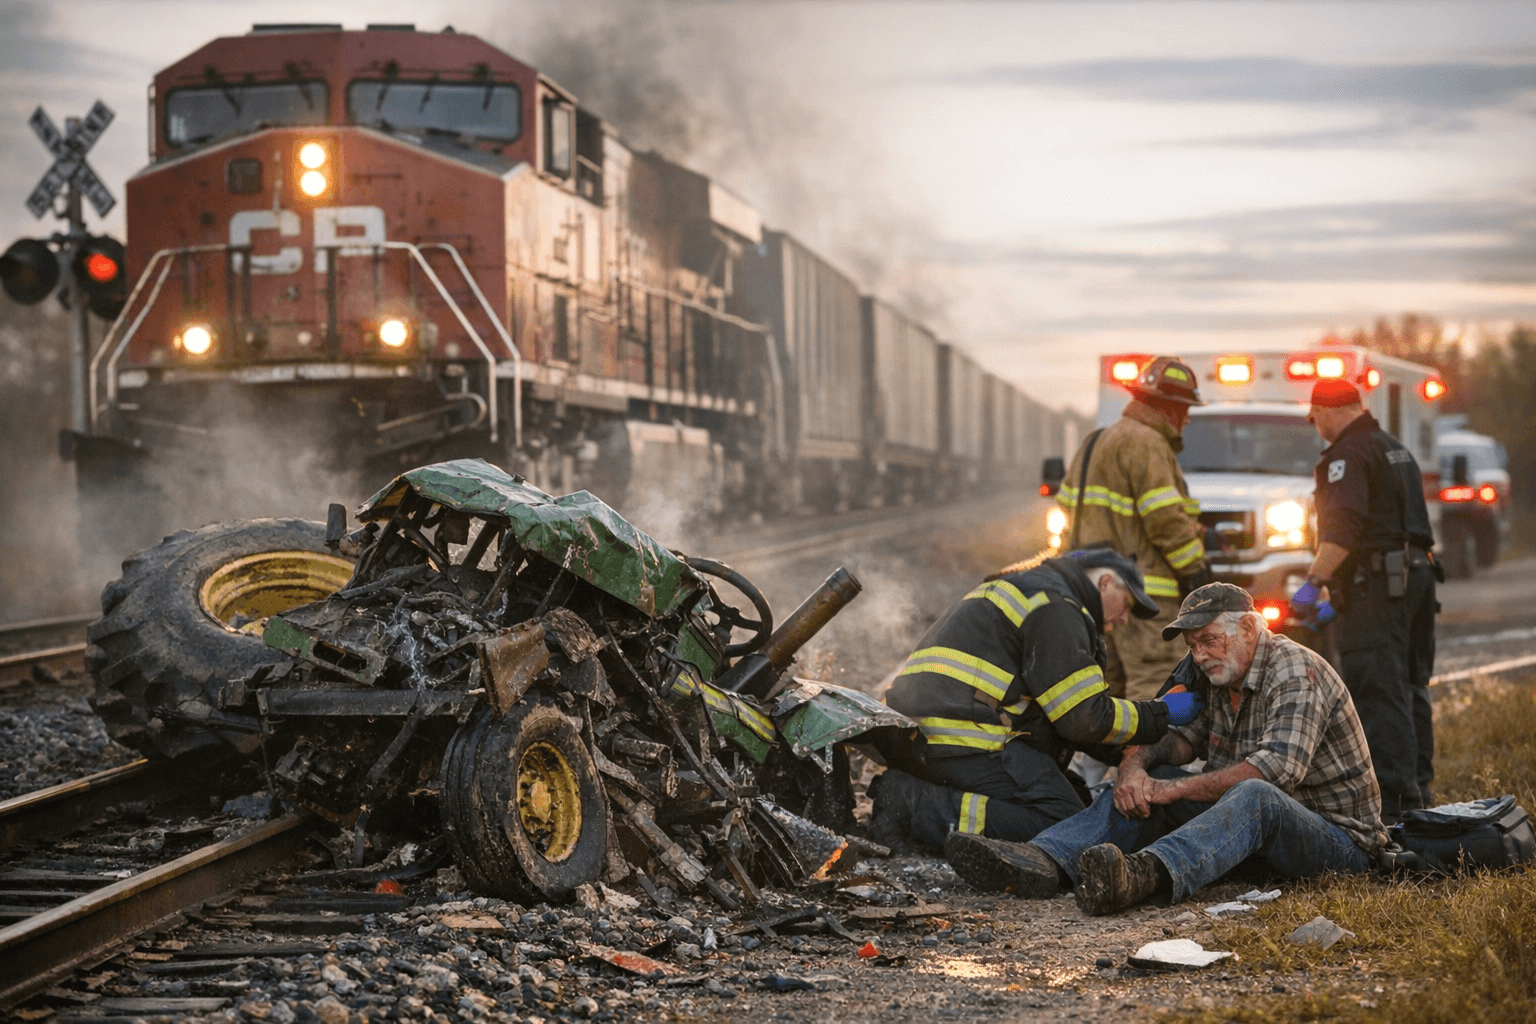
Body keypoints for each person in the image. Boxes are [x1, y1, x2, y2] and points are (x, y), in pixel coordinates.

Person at [944, 583, 1388, 915]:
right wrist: (1135, 769)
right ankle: (1042, 861)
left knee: (1249, 795)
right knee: (1154, 784)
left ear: (1249, 628)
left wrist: (1169, 791)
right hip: (1256, 838)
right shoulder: (1218, 674)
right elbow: (1178, 739)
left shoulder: (1295, 671)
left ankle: (1141, 875)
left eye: (1208, 640)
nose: (1198, 655)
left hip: (1337, 844)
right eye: (1192, 646)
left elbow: (1275, 772)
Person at [868, 548, 1205, 853]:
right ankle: (910, 803)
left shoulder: (1037, 590)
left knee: (1082, 803)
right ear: (1105, 582)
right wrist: (1163, 713)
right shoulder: (1056, 607)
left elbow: (1061, 717)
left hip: (936, 731)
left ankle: (919, 801)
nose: (1124, 619)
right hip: (962, 735)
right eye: (1128, 604)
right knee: (1064, 824)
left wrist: (1127, 751)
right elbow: (1083, 716)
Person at [1292, 378, 1438, 819]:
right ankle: (1419, 793)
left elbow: (1340, 536)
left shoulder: (1346, 456)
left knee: (1377, 692)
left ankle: (1394, 810)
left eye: (1315, 417)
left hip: (1379, 589)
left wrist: (1312, 584)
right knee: (1411, 686)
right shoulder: (1395, 447)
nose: (1316, 426)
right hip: (1415, 581)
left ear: (1328, 409)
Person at [1057, 356, 1215, 702]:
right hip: (1142, 597)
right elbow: (1163, 519)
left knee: (1105, 687)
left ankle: (1110, 757)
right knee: (1156, 681)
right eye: (1185, 408)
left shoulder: (1095, 441)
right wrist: (1195, 571)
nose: (1187, 419)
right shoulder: (1148, 444)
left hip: (1090, 593)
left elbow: (1069, 512)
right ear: (1168, 408)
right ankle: (1144, 757)